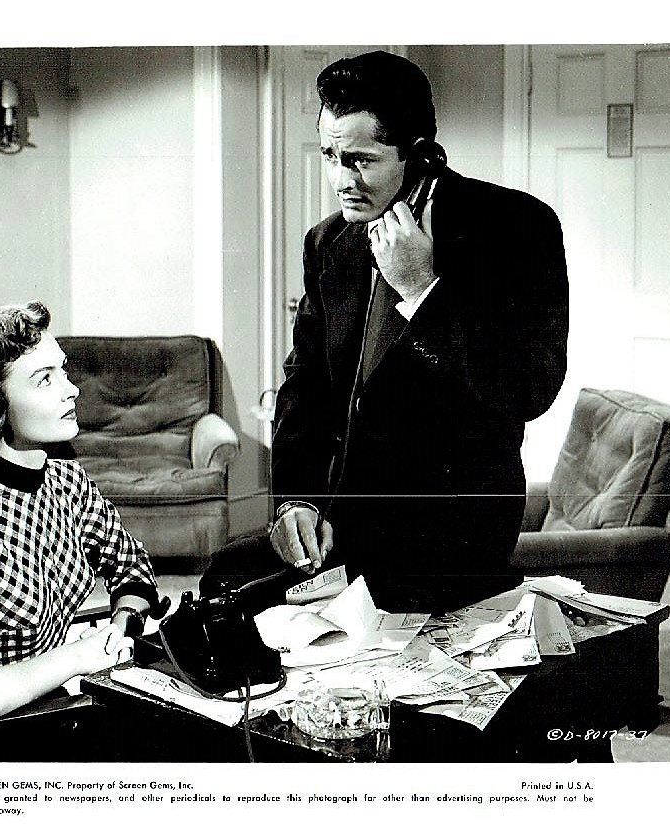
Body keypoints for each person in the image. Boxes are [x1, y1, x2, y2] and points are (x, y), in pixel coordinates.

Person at [201, 51, 569, 613]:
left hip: (452, 535)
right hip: (342, 523)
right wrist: (295, 501)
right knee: (224, 588)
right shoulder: (327, 242)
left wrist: (422, 290)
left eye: (361, 161)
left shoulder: (515, 226)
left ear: (419, 156)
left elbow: (529, 389)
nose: (341, 180)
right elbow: (304, 386)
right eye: (330, 156)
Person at [0, 300, 163, 735]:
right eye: (44, 379)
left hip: (51, 706)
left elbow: (132, 569)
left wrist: (121, 628)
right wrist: (76, 657)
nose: (72, 390)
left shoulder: (66, 480)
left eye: (62, 371)